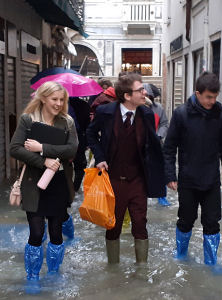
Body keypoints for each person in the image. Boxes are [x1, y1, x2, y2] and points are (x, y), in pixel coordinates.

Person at [86, 73, 165, 264]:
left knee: (140, 224)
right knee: (113, 226)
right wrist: (100, 157)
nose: (145, 92)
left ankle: (142, 272)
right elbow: (89, 133)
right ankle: (113, 269)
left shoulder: (146, 114)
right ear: (127, 96)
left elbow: (152, 146)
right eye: (140, 90)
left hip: (138, 180)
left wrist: (164, 173)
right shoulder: (105, 112)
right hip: (112, 179)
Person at [10, 81, 78, 293]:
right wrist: (43, 161)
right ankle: (32, 277)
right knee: (37, 232)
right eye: (54, 99)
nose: (58, 104)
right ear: (43, 98)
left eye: (61, 100)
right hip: (33, 183)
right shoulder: (28, 120)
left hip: (58, 183)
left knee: (56, 232)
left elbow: (72, 149)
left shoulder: (66, 122)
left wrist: (43, 148)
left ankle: (53, 273)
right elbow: (15, 149)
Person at [163, 72, 222, 273]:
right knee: (186, 220)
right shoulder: (181, 114)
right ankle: (181, 255)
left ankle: (211, 264)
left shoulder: (221, 114)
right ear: (197, 93)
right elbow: (169, 148)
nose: (212, 101)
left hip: (211, 180)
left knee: (212, 222)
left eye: (215, 97)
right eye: (208, 97)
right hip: (187, 180)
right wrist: (170, 175)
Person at [144, 83, 170, 206]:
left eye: (148, 95)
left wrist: (158, 135)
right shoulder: (134, 108)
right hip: (140, 146)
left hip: (157, 144)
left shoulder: (158, 108)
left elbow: (164, 123)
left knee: (160, 170)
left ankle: (161, 196)